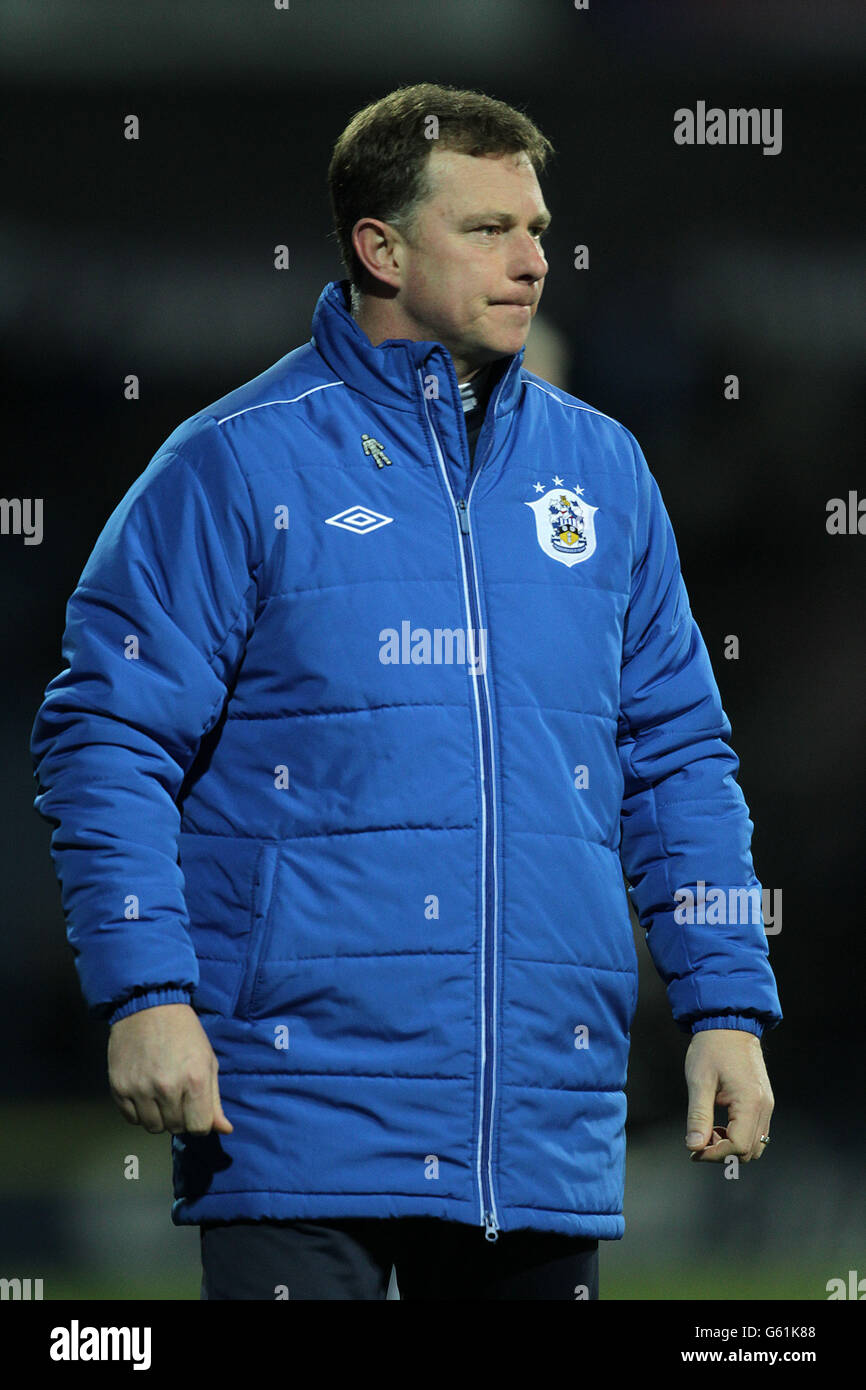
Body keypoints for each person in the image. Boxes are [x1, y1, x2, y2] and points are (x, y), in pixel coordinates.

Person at [29, 82, 781, 1301]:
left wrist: (725, 1004)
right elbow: (104, 735)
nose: (533, 258)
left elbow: (678, 758)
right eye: (486, 228)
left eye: (536, 227)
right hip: (292, 1114)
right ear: (377, 247)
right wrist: (147, 993)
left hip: (536, 1120)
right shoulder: (233, 463)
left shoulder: (602, 473)